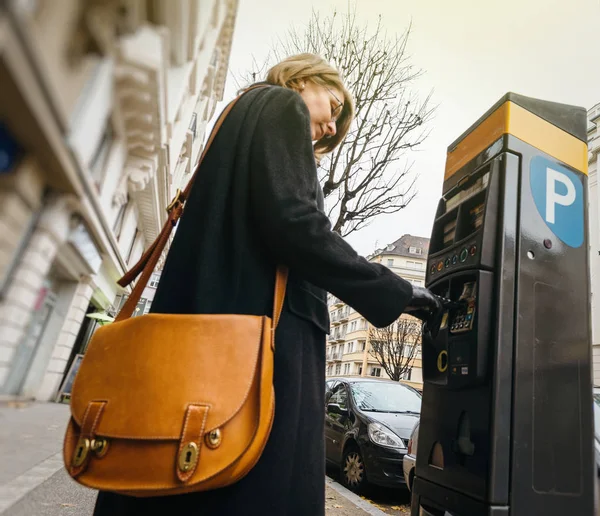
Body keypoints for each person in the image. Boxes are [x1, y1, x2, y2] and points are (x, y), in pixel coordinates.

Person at [93, 53, 442, 516]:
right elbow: (296, 224)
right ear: (302, 81)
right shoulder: (282, 105)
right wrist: (399, 293)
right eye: (333, 108)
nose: (333, 128)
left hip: (209, 327)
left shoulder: (237, 118)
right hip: (262, 341)